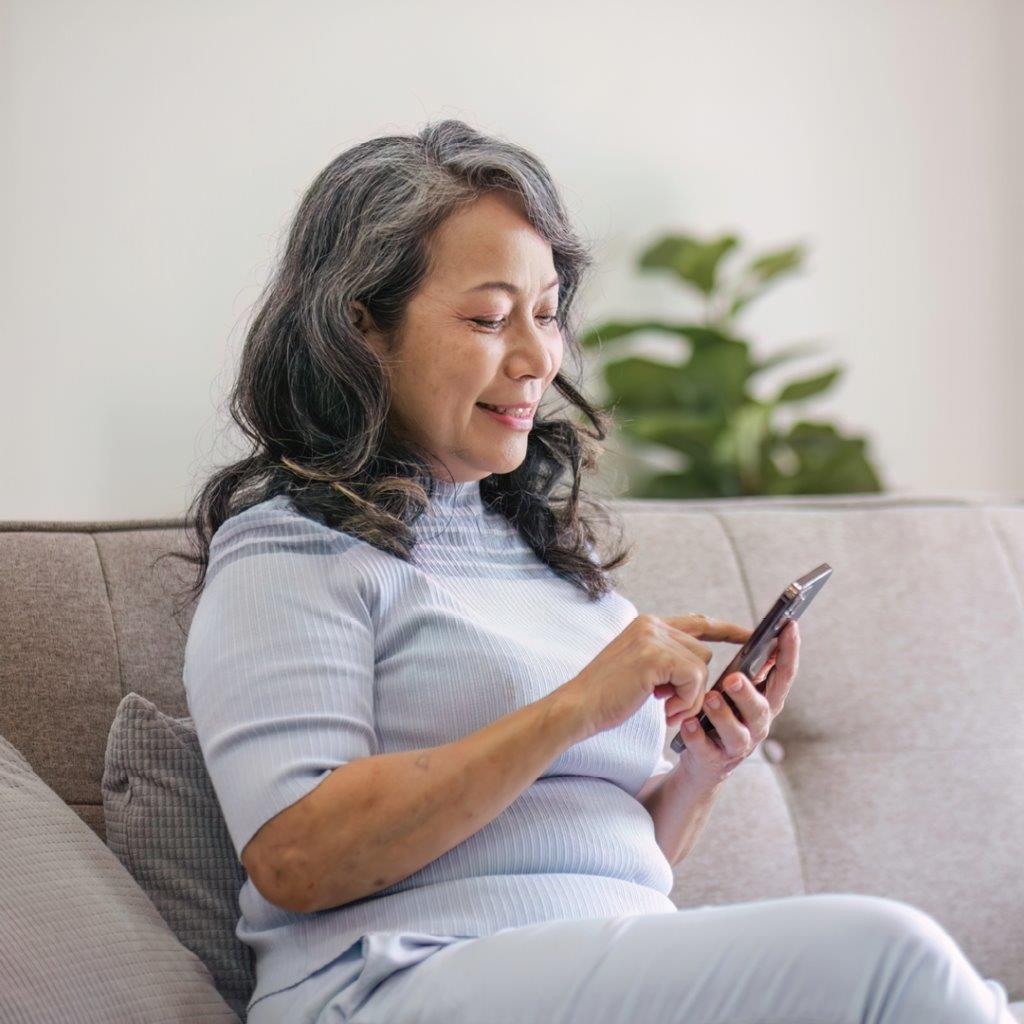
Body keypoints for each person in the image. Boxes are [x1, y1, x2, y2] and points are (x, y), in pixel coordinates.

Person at [180, 120, 1014, 1024]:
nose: (539, 360)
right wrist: (580, 702)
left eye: (547, 314)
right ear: (360, 325)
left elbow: (596, 868)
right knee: (890, 960)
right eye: (490, 318)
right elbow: (297, 860)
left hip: (583, 974)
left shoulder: (541, 558)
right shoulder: (290, 547)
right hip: (390, 983)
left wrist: (697, 769)